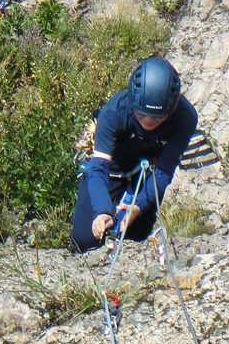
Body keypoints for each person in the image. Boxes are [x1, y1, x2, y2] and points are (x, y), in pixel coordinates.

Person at [71, 56, 198, 252]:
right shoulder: (114, 112)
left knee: (136, 234)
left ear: (171, 110)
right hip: (112, 169)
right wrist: (103, 211)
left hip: (146, 170)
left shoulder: (185, 118)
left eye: (158, 118)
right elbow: (98, 167)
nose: (148, 122)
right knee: (85, 240)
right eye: (141, 116)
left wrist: (138, 205)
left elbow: (165, 170)